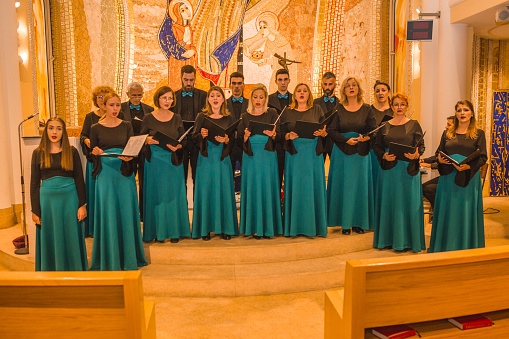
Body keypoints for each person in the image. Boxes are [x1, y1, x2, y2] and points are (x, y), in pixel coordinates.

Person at [89, 92, 147, 271]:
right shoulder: (95, 128)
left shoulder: (127, 125)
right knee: (108, 212)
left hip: (124, 173)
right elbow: (91, 154)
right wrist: (95, 152)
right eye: (111, 105)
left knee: (126, 211)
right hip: (105, 174)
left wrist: (130, 157)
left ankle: (129, 257)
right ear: (104, 106)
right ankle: (109, 258)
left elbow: (132, 147)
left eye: (117, 105)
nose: (115, 109)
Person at [429, 101, 487, 253]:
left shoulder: (479, 134)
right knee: (448, 212)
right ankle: (444, 246)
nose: (462, 113)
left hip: (468, 178)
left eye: (466, 110)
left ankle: (467, 247)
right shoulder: (447, 133)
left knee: (464, 212)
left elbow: (483, 158)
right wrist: (440, 160)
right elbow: (439, 153)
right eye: (459, 110)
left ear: (471, 113)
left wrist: (469, 166)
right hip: (448, 178)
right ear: (456, 113)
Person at [31, 117, 88, 271]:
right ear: (46, 131)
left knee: (70, 236)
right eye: (50, 128)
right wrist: (35, 210)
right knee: (50, 238)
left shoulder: (72, 152)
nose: (54, 132)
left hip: (69, 200)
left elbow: (79, 179)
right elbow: (34, 183)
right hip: (47, 204)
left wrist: (82, 205)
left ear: (63, 131)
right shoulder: (38, 153)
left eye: (58, 128)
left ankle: (74, 271)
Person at [373, 93, 426, 252]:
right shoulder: (385, 125)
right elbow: (377, 146)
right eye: (396, 104)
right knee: (390, 203)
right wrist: (383, 155)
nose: (399, 107)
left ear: (407, 106)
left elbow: (421, 146)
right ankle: (388, 240)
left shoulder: (414, 124)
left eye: (402, 104)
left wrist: (417, 154)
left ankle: (409, 242)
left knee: (407, 204)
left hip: (408, 170)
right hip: (390, 171)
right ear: (392, 106)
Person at [140, 86, 191, 243]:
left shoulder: (176, 117)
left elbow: (185, 140)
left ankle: (175, 231)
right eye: (164, 98)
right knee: (156, 196)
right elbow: (140, 138)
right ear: (158, 99)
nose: (167, 101)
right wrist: (146, 140)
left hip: (172, 162)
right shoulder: (148, 118)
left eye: (170, 98)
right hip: (154, 162)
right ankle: (156, 232)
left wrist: (179, 146)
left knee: (173, 195)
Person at [327, 77, 376, 235]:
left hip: (361, 154)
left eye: (354, 85)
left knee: (360, 188)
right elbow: (332, 130)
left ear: (358, 88)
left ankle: (359, 223)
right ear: (343, 90)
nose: (351, 88)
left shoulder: (367, 109)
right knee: (344, 187)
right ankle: (345, 223)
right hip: (342, 153)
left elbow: (373, 130)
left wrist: (365, 138)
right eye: (348, 86)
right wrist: (346, 140)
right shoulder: (338, 108)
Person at [191, 86, 239, 240]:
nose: (215, 98)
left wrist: (227, 140)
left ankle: (225, 228)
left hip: (222, 158)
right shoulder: (201, 116)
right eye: (212, 95)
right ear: (208, 99)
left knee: (223, 191)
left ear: (223, 99)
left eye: (218, 95)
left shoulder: (229, 118)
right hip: (206, 158)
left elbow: (234, 140)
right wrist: (202, 135)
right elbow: (194, 138)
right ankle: (205, 229)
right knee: (206, 191)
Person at [280, 83, 328, 237]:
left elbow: (325, 131)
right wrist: (288, 136)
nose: (302, 93)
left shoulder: (317, 109)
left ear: (309, 94)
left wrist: (323, 133)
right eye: (298, 90)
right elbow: (281, 133)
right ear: (294, 95)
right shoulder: (287, 111)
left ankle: (313, 227)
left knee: (311, 187)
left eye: (305, 91)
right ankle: (294, 227)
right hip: (294, 154)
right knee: (296, 188)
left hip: (312, 154)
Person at [237, 83, 283, 238]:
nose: (258, 100)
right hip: (251, 157)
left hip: (267, 156)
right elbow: (238, 139)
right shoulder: (245, 116)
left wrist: (274, 135)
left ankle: (269, 227)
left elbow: (280, 135)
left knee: (267, 188)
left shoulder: (272, 114)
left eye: (261, 97)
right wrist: (244, 137)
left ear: (265, 99)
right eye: (255, 97)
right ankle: (253, 227)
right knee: (253, 189)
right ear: (251, 98)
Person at [80, 85, 114, 237]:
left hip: (110, 162)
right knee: (94, 194)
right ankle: (94, 228)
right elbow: (83, 135)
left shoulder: (116, 117)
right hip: (95, 161)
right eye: (100, 97)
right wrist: (88, 141)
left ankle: (109, 225)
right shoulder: (90, 117)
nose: (102, 100)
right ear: (96, 99)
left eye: (106, 97)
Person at [120, 82, 154, 219]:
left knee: (145, 182)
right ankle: (129, 211)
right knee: (128, 180)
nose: (136, 98)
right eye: (134, 95)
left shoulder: (149, 109)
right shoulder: (121, 108)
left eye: (139, 95)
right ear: (128, 95)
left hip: (144, 149)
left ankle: (143, 213)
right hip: (128, 148)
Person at [174, 65, 207, 189]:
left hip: (197, 141)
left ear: (195, 79)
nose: (188, 83)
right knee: (179, 176)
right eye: (186, 80)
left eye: (191, 80)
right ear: (181, 78)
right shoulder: (174, 96)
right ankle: (181, 207)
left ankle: (198, 206)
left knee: (198, 176)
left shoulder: (204, 95)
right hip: (180, 141)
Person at [421, 116, 455, 212]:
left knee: (428, 189)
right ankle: (436, 210)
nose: (446, 126)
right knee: (423, 188)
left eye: (449, 124)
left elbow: (449, 162)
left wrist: (430, 166)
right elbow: (438, 156)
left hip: (453, 177)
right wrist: (424, 161)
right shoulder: (445, 136)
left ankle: (441, 211)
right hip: (444, 176)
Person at [268, 69, 292, 191]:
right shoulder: (268, 99)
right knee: (275, 178)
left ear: (289, 81)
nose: (283, 82)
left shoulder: (295, 98)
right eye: (280, 80)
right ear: (276, 81)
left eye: (285, 79)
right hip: (276, 143)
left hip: (292, 143)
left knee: (292, 178)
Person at [226, 72, 249, 195]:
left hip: (245, 146)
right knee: (228, 177)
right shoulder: (223, 104)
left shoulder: (250, 103)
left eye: (239, 83)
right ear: (230, 85)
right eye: (234, 83)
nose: (236, 86)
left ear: (243, 85)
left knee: (245, 176)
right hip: (228, 146)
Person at [370, 81, 393, 186]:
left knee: (387, 181)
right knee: (374, 179)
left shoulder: (395, 110)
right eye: (377, 91)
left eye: (383, 90)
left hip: (389, 151)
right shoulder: (369, 110)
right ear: (374, 93)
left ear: (388, 92)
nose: (380, 93)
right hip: (373, 150)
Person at [313, 72, 339, 161]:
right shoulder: (315, 103)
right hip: (319, 142)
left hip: (335, 142)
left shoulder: (341, 104)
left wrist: (327, 132)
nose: (327, 87)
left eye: (330, 84)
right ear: (321, 85)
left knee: (336, 170)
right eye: (325, 84)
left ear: (335, 85)